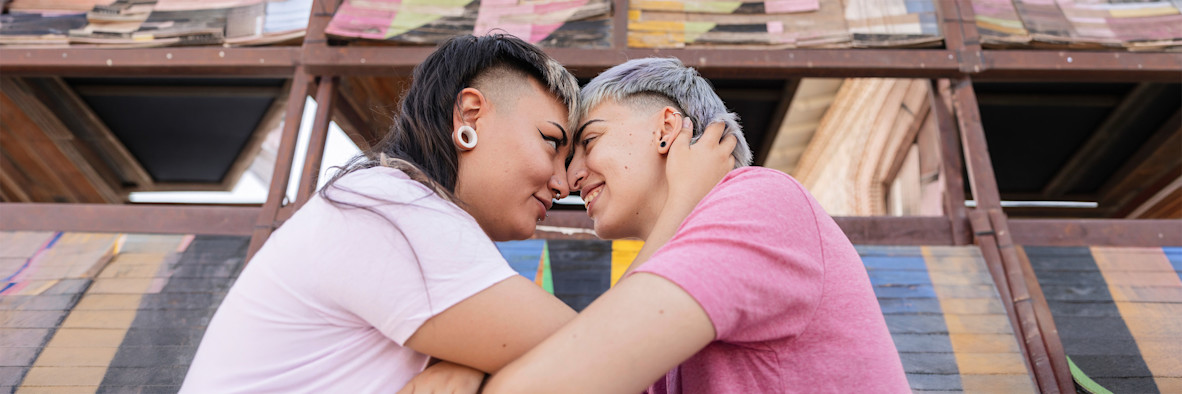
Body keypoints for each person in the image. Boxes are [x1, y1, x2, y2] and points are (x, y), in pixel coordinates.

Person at [181, 34, 583, 392]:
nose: (564, 185)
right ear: (470, 114)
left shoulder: (387, 199)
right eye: (550, 141)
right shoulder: (393, 208)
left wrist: (467, 366)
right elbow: (599, 359)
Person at [484, 57, 910, 393]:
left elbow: (558, 380)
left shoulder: (759, 199)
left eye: (589, 141)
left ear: (667, 129)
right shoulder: (688, 257)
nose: (571, 178)